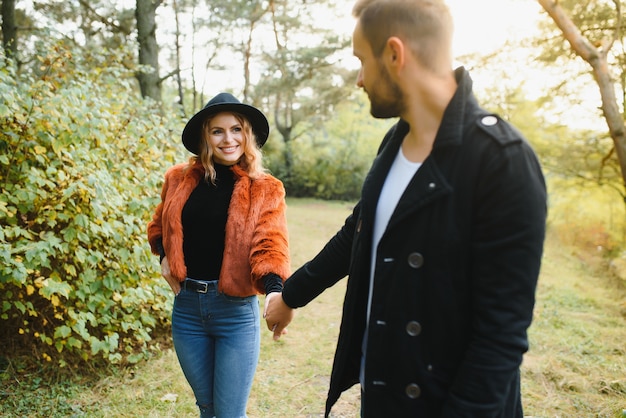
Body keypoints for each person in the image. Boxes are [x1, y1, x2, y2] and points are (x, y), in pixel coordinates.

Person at [263, 0, 547, 417]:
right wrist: (291, 295)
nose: (359, 79)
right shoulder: (394, 143)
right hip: (384, 394)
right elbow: (358, 233)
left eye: (362, 61)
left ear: (395, 54)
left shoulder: (502, 160)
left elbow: (500, 337)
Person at [147, 92, 290, 418]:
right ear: (205, 137)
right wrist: (164, 256)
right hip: (187, 311)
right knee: (207, 407)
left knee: (228, 413)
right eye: (218, 131)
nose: (229, 139)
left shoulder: (264, 187)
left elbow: (270, 243)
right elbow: (159, 227)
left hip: (235, 313)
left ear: (248, 135)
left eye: (237, 129)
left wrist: (274, 290)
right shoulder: (178, 179)